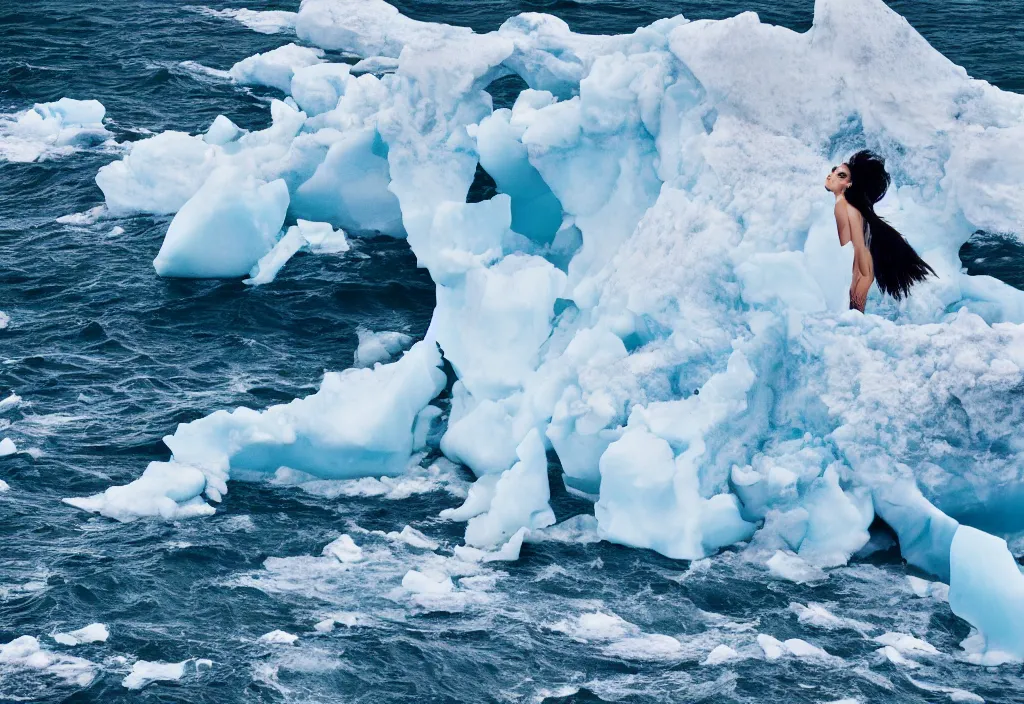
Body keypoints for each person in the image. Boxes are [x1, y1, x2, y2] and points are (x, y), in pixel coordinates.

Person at [825, 150, 935, 311]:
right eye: (834, 170)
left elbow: (863, 263)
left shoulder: (850, 211)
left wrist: (856, 305)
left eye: (841, 175)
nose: (832, 175)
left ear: (849, 184)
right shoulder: (849, 208)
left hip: (870, 266)